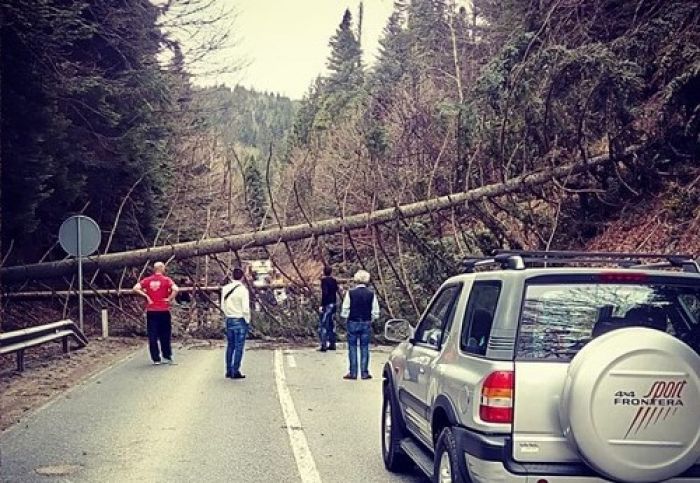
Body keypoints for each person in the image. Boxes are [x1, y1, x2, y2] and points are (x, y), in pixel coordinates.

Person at [133, 262, 179, 365]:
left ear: (154, 269)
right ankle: (166, 356)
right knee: (165, 334)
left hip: (151, 311)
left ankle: (155, 358)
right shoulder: (167, 280)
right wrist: (169, 299)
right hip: (164, 310)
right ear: (162, 268)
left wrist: (146, 296)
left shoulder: (147, 280)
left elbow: (135, 288)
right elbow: (176, 289)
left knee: (152, 335)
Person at [340, 270, 380, 380]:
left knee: (352, 347)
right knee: (364, 347)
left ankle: (353, 372)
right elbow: (375, 311)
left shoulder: (351, 293)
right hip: (366, 321)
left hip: (353, 321)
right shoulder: (371, 293)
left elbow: (345, 308)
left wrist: (346, 317)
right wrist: (372, 318)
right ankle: (364, 372)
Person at [221, 267, 251, 379]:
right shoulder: (243, 290)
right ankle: (235, 370)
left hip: (229, 319)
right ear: (242, 277)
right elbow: (245, 309)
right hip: (240, 319)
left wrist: (227, 314)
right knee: (239, 347)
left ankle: (228, 369)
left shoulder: (225, 289)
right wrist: (247, 320)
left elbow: (222, 305)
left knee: (230, 346)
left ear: (232, 276)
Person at [318, 265, 339, 352]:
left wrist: (322, 305)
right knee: (331, 324)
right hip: (333, 303)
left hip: (327, 304)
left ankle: (323, 344)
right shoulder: (334, 281)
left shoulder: (324, 281)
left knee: (324, 324)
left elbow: (324, 293)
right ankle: (332, 343)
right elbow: (337, 290)